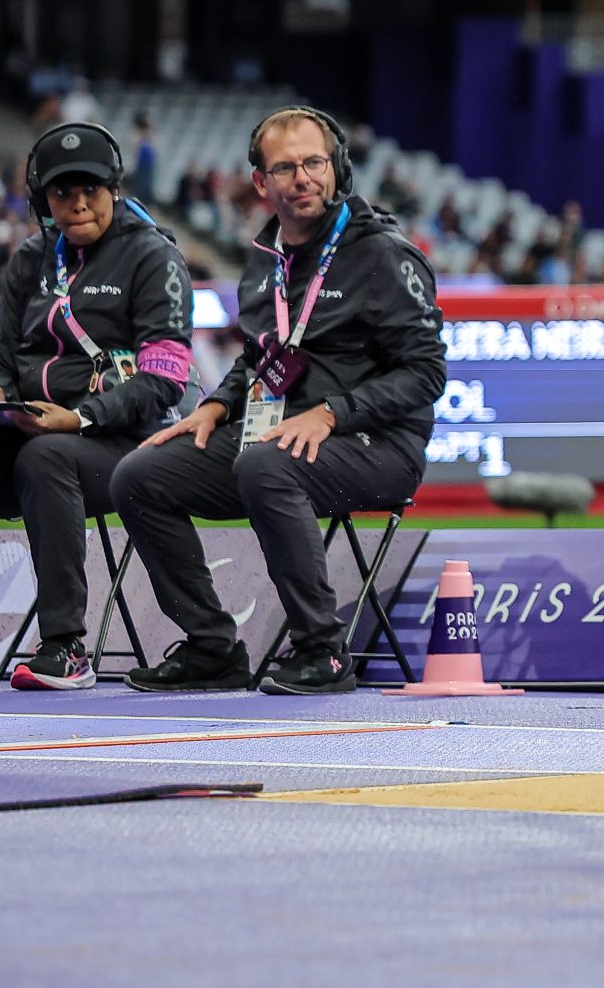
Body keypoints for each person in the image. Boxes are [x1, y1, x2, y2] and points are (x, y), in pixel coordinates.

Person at [112, 108, 446, 695]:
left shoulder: (383, 254)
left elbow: (426, 374)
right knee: (140, 475)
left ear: (336, 167)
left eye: (314, 162)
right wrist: (216, 405)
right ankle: (213, 647)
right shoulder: (263, 262)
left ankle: (323, 649)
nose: (303, 178)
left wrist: (334, 412)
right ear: (261, 183)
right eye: (286, 167)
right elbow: (260, 358)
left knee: (264, 464)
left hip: (379, 445)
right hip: (278, 440)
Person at [0, 124, 192, 690]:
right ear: (41, 199)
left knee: (46, 457)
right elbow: (0, 360)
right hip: (33, 435)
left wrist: (80, 417)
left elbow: (166, 380)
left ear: (114, 189)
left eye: (90, 190)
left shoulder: (153, 257)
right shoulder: (29, 260)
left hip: (124, 447)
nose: (77, 203)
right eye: (61, 192)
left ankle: (65, 646)